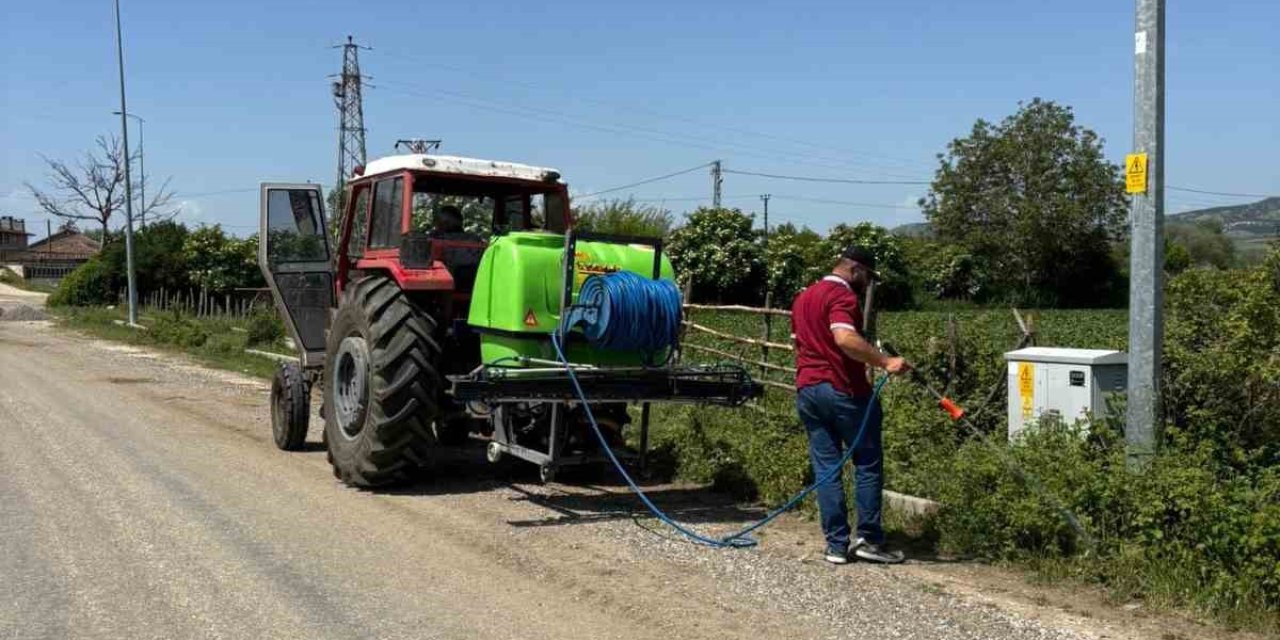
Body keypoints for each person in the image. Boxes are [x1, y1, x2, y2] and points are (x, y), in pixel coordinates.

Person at [791, 246, 911, 565]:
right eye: (868, 277)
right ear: (855, 270)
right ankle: (868, 540)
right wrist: (886, 361)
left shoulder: (804, 297)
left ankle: (835, 545)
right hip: (843, 391)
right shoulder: (842, 297)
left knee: (827, 468)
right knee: (867, 461)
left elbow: (800, 342)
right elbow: (844, 338)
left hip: (808, 390)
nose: (868, 283)